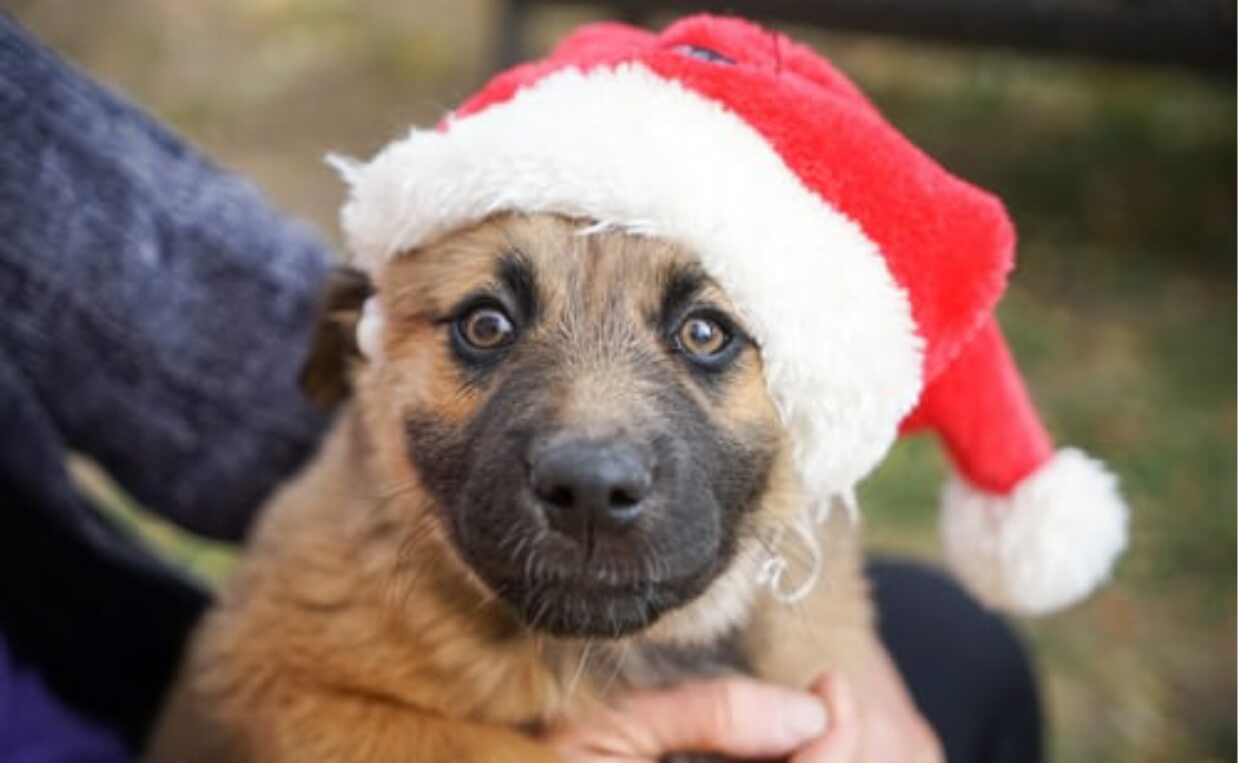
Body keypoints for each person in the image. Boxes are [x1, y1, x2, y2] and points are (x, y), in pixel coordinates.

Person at [0, 13, 1041, 762]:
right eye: (485, 325)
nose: (591, 437)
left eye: (706, 331)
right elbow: (256, 691)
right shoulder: (339, 575)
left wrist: (854, 701)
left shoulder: (793, 530)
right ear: (356, 350)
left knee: (959, 645)